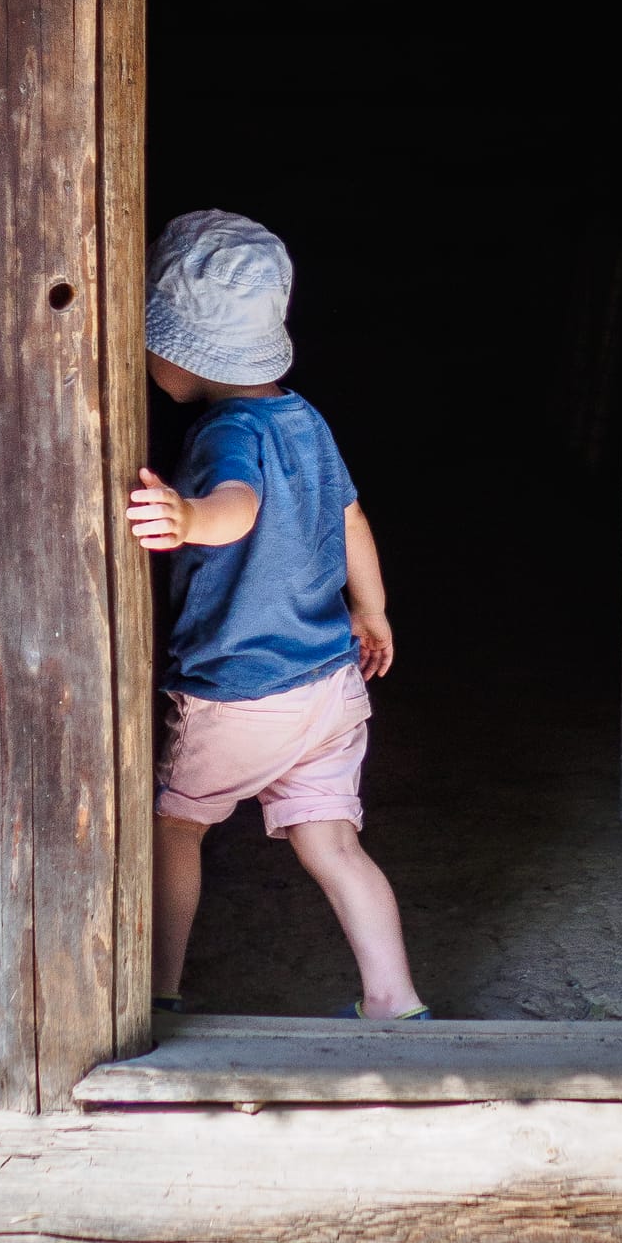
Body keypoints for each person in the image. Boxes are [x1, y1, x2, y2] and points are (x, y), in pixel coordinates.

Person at [127, 209, 427, 1021]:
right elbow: (352, 520)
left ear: (176, 348)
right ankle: (394, 1001)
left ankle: (158, 992)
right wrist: (373, 612)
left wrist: (190, 521)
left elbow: (239, 504)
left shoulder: (226, 432)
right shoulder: (305, 419)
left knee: (173, 826)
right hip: (330, 686)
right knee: (332, 843)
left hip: (241, 693)